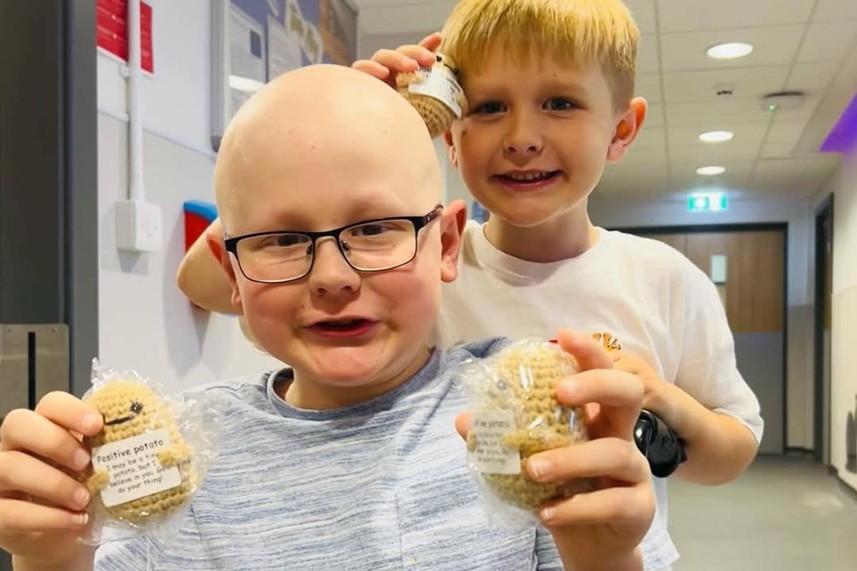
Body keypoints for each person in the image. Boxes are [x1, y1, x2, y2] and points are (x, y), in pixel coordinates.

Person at [174, 1, 764, 570]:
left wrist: (657, 398)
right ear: (450, 136)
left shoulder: (661, 279)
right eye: (488, 108)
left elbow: (730, 449)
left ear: (621, 127)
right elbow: (205, 282)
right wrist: (336, 136)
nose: (522, 136)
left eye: (559, 102)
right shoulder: (418, 263)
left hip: (598, 541)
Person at [0, 64, 655, 571]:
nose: (333, 276)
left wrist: (605, 560)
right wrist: (51, 556)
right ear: (231, 274)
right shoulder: (182, 456)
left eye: (375, 228)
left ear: (447, 244)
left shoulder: (525, 422)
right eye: (282, 240)